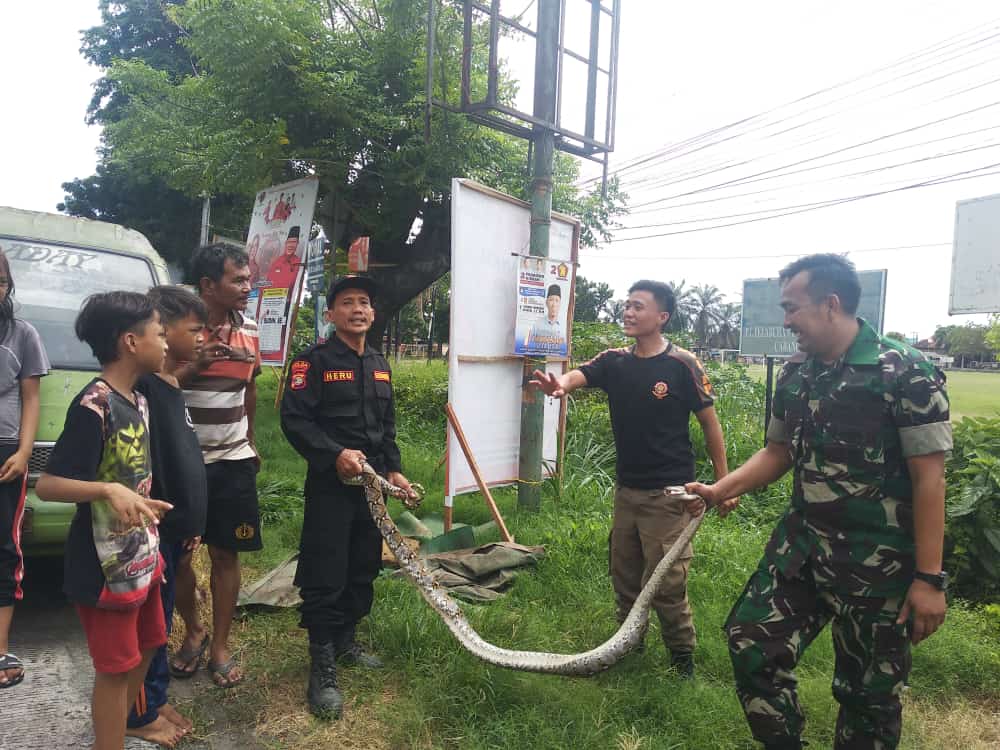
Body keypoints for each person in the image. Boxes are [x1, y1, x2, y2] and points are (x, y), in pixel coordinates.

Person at [685, 254, 951, 750]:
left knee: (866, 698)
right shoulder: (797, 373)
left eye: (793, 307)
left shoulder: (905, 372)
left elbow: (930, 481)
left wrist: (929, 579)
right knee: (751, 644)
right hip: (802, 549)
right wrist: (722, 489)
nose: (786, 320)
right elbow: (778, 451)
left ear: (831, 304)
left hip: (879, 565)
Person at [530, 279, 733, 677]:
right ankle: (629, 645)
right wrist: (560, 386)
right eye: (627, 305)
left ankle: (682, 659)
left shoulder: (682, 364)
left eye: (639, 306)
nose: (629, 311)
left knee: (668, 583)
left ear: (662, 317)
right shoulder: (615, 360)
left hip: (671, 495)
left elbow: (710, 425)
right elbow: (579, 376)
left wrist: (723, 487)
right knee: (624, 576)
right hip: (627, 492)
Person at [36, 292, 173, 750]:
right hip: (102, 567)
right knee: (114, 671)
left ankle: (120, 723)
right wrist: (107, 490)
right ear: (131, 342)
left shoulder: (138, 399)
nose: (167, 342)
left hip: (142, 557)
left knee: (152, 640)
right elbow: (49, 485)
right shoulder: (92, 406)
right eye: (159, 333)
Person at [280, 275, 418, 720]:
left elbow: (386, 424)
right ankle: (321, 667)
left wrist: (394, 468)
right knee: (325, 572)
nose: (357, 309)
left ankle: (346, 642)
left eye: (364, 303)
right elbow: (295, 420)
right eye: (347, 303)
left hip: (373, 488)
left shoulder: (379, 362)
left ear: (373, 314)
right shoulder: (313, 362)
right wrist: (334, 454)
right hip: (330, 487)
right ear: (331, 314)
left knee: (363, 565)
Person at [172, 244, 261, 689]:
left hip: (233, 461)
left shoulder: (250, 330)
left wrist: (252, 439)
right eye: (238, 280)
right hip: (182, 464)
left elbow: (250, 390)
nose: (248, 287)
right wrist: (195, 366)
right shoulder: (179, 331)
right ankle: (193, 629)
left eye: (248, 279)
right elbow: (158, 387)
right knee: (180, 555)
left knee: (227, 553)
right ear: (208, 285)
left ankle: (221, 645)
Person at [124, 286, 211, 746]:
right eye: (192, 330)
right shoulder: (144, 391)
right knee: (148, 628)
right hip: (154, 531)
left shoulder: (172, 384)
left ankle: (152, 699)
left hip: (176, 531)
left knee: (161, 623)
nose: (200, 338)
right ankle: (136, 714)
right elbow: (150, 468)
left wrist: (192, 524)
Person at [0, 248, 49, 689]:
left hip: (4, 456)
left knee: (4, 549)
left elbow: (31, 398)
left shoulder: (22, 334)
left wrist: (23, 451)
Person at [525, 283, 566, 354]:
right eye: (551, 300)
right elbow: (527, 345)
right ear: (546, 303)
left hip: (555, 362)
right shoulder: (537, 324)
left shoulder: (564, 326)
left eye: (557, 300)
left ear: (560, 304)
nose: (554, 305)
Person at [264, 225, 302, 290]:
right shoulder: (277, 262)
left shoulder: (299, 262)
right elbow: (268, 283)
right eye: (289, 242)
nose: (291, 245)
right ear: (286, 243)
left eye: (294, 242)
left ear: (297, 243)